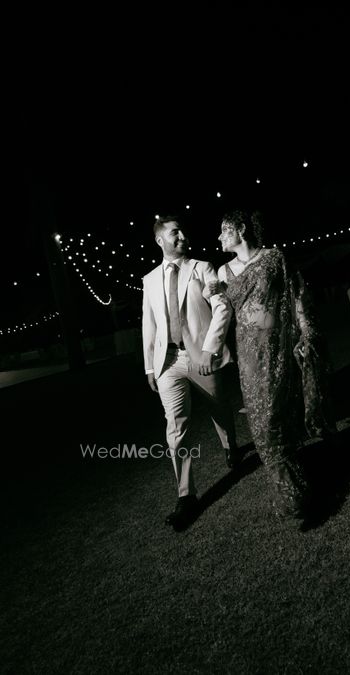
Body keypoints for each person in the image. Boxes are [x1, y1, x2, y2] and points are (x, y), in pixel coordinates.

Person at [205, 209, 336, 518]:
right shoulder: (223, 272)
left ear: (241, 229)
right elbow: (223, 311)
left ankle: (299, 476)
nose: (219, 236)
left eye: (224, 230)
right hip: (249, 354)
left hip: (280, 346)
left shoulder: (274, 258)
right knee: (262, 420)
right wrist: (212, 295)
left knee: (280, 410)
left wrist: (306, 331)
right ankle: (291, 492)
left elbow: (296, 293)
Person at [142, 215, 239, 530]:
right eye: (175, 232)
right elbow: (149, 324)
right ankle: (186, 495)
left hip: (201, 356)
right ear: (160, 240)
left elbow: (222, 307)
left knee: (219, 408)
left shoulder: (202, 268)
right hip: (168, 363)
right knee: (176, 428)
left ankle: (230, 447)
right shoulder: (149, 280)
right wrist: (149, 366)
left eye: (182, 230)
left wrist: (210, 350)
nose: (182, 235)